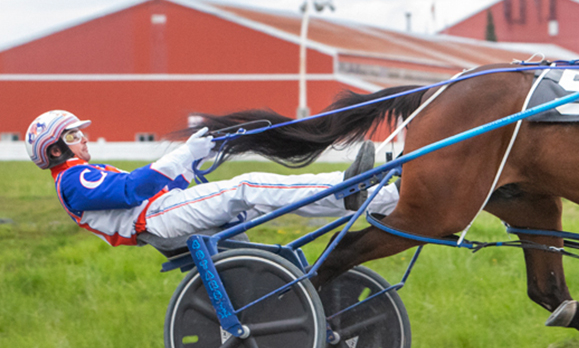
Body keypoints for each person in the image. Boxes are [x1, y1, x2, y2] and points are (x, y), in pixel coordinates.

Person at [25, 110, 397, 250]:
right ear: (55, 150)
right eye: (73, 136)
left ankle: (381, 196)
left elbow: (159, 187)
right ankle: (347, 188)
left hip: (161, 215)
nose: (83, 138)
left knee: (260, 197)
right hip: (156, 222)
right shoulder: (73, 180)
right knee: (247, 186)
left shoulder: (84, 173)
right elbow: (131, 191)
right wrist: (183, 154)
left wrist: (193, 162)